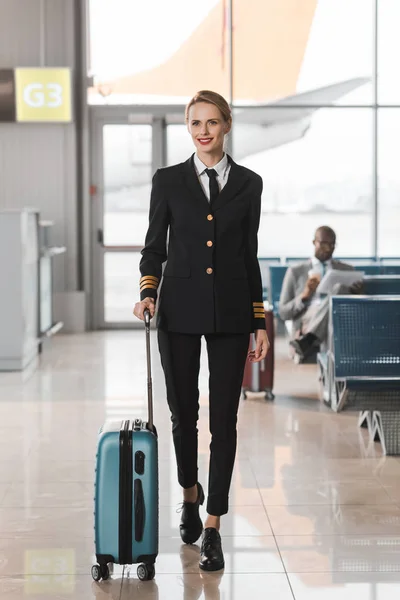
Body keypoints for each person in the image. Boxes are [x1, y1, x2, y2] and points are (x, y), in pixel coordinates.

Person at [133, 90, 269, 572]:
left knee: (224, 422)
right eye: (195, 123)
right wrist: (148, 290)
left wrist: (259, 320)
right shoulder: (168, 181)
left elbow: (249, 256)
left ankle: (212, 524)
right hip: (179, 313)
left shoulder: (249, 184)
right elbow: (154, 248)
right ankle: (190, 493)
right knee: (182, 415)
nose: (204, 131)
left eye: (212, 122)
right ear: (188, 128)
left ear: (226, 125)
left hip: (232, 315)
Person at [279, 226, 361, 359]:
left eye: (332, 244)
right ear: (314, 242)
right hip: (308, 315)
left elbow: (356, 307)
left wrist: (358, 294)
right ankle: (336, 368)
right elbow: (283, 312)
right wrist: (304, 296)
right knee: (334, 320)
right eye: (323, 244)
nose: (328, 248)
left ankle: (309, 339)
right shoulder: (296, 272)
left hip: (337, 314)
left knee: (338, 295)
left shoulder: (347, 269)